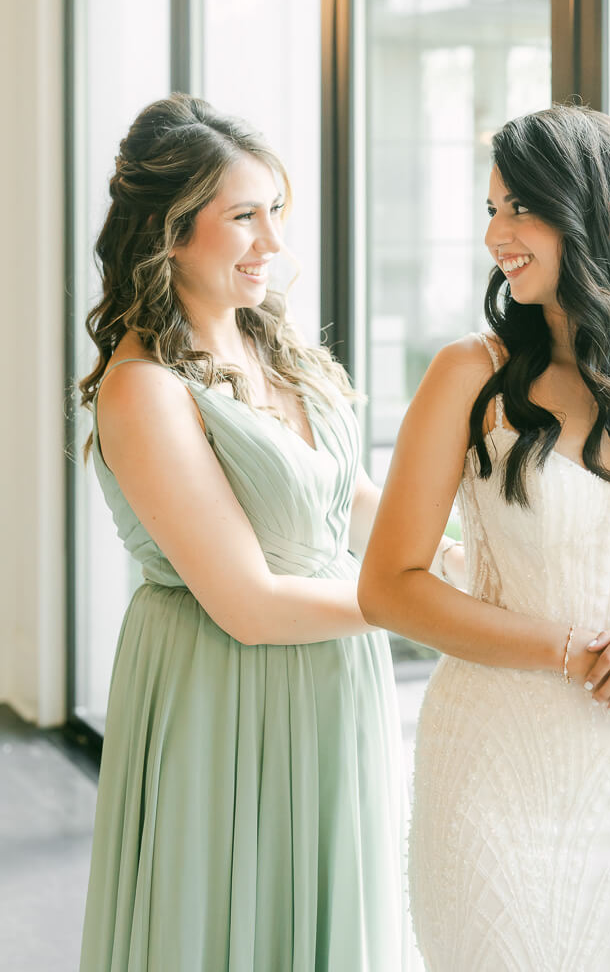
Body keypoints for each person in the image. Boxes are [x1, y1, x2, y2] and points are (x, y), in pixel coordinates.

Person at [358, 104, 610, 971]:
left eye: (518, 208)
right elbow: (388, 584)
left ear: (601, 216)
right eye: (490, 210)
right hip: (496, 770)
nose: (496, 234)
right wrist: (574, 652)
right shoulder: (469, 373)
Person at [78, 93, 425, 971]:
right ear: (170, 231)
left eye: (277, 210)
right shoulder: (144, 388)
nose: (273, 241)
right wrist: (420, 604)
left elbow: (345, 500)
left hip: (338, 666)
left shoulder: (272, 343)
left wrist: (455, 559)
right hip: (223, 684)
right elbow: (250, 605)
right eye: (245, 216)